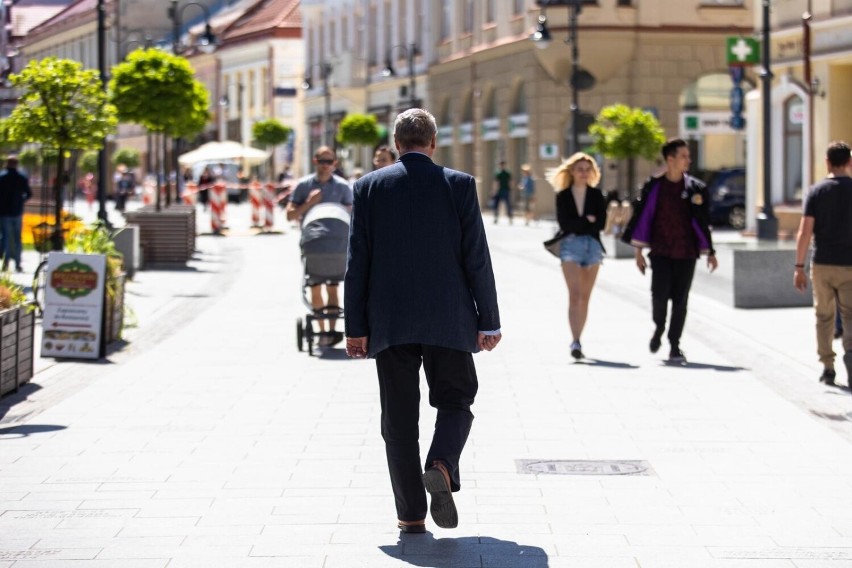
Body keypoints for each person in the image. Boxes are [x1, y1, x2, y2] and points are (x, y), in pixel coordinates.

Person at [344, 108, 501, 533]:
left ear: (396, 144)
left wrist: (354, 327)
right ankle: (442, 464)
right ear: (433, 143)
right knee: (456, 399)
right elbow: (477, 258)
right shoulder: (459, 185)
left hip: (388, 320)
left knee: (397, 417)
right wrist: (488, 321)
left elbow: (358, 262)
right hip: (448, 317)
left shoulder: (368, 187)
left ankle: (410, 514)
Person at [622, 138, 717, 363]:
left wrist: (711, 252)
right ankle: (659, 327)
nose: (688, 160)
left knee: (681, 300)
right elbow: (642, 218)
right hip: (660, 251)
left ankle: (675, 344)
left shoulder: (697, 188)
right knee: (659, 295)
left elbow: (704, 222)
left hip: (687, 252)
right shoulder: (654, 187)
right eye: (683, 156)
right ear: (670, 159)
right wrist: (638, 252)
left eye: (688, 156)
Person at [793, 141, 852, 386]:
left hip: (823, 264)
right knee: (851, 316)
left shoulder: (816, 192)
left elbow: (805, 231)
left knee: (824, 316)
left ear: (827, 162)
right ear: (849, 162)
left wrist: (799, 267)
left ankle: (828, 367)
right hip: (850, 265)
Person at [287, 146, 353, 344]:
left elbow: (352, 214)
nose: (326, 166)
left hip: (337, 245)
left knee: (333, 287)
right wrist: (309, 203)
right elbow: (290, 215)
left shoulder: (342, 187)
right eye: (322, 161)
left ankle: (332, 332)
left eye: (330, 162)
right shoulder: (304, 185)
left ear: (335, 163)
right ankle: (322, 331)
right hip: (313, 244)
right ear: (315, 161)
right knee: (315, 287)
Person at [544, 153, 607, 360]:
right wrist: (586, 220)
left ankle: (579, 337)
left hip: (593, 247)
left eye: (587, 169)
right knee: (575, 295)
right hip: (570, 246)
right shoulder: (563, 195)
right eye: (579, 169)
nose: (583, 173)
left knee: (585, 298)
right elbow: (565, 224)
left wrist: (582, 222)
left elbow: (600, 224)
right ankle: (575, 341)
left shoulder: (597, 196)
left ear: (592, 173)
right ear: (571, 171)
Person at [0, 156, 32, 272]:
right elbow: (29, 194)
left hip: (4, 212)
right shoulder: (21, 178)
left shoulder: (2, 177)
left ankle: (5, 263)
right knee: (17, 238)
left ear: (7, 164)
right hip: (17, 212)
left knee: (5, 238)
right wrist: (20, 201)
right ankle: (18, 263)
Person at [492, 160, 513, 224]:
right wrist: (494, 190)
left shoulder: (507, 173)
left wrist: (510, 189)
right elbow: (496, 182)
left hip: (505, 190)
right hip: (499, 191)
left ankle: (510, 218)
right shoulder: (498, 173)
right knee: (496, 204)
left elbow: (510, 181)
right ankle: (496, 217)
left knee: (508, 204)